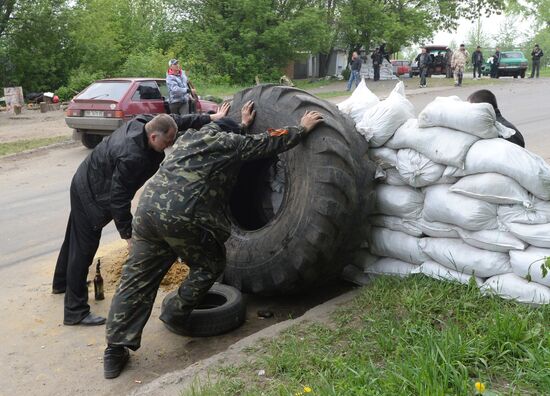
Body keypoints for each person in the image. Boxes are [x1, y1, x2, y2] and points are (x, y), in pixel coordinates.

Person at [102, 102, 324, 379]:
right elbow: (266, 142)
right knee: (210, 264)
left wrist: (240, 124)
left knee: (136, 279)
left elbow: (228, 133)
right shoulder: (227, 144)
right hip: (183, 216)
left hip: (147, 213)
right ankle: (175, 312)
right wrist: (300, 129)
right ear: (228, 134)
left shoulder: (188, 138)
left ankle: (114, 349)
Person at [52, 105, 230, 326]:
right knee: (84, 248)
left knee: (74, 238)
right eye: (167, 142)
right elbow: (118, 198)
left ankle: (60, 283)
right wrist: (128, 235)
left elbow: (174, 120)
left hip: (87, 179)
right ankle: (75, 311)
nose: (170, 145)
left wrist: (211, 117)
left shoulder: (145, 123)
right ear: (153, 136)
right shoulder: (132, 156)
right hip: (92, 195)